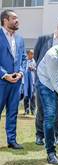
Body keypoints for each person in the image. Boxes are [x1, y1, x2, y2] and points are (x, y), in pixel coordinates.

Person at [34, 17, 58, 146]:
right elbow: (37, 56)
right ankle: (40, 135)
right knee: (42, 109)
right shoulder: (44, 39)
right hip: (44, 81)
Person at [0, 9, 26, 149]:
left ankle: (12, 140)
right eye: (14, 18)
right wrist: (4, 75)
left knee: (13, 112)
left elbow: (23, 58)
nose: (17, 20)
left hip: (16, 82)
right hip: (1, 81)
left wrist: (21, 73)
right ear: (5, 20)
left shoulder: (20, 38)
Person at [23, 49, 36, 115]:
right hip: (25, 82)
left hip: (32, 81)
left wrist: (33, 69)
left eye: (33, 53)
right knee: (26, 96)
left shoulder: (34, 61)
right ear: (28, 54)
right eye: (31, 53)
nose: (33, 55)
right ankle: (26, 110)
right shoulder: (24, 61)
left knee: (33, 96)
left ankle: (33, 110)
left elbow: (37, 69)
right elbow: (22, 69)